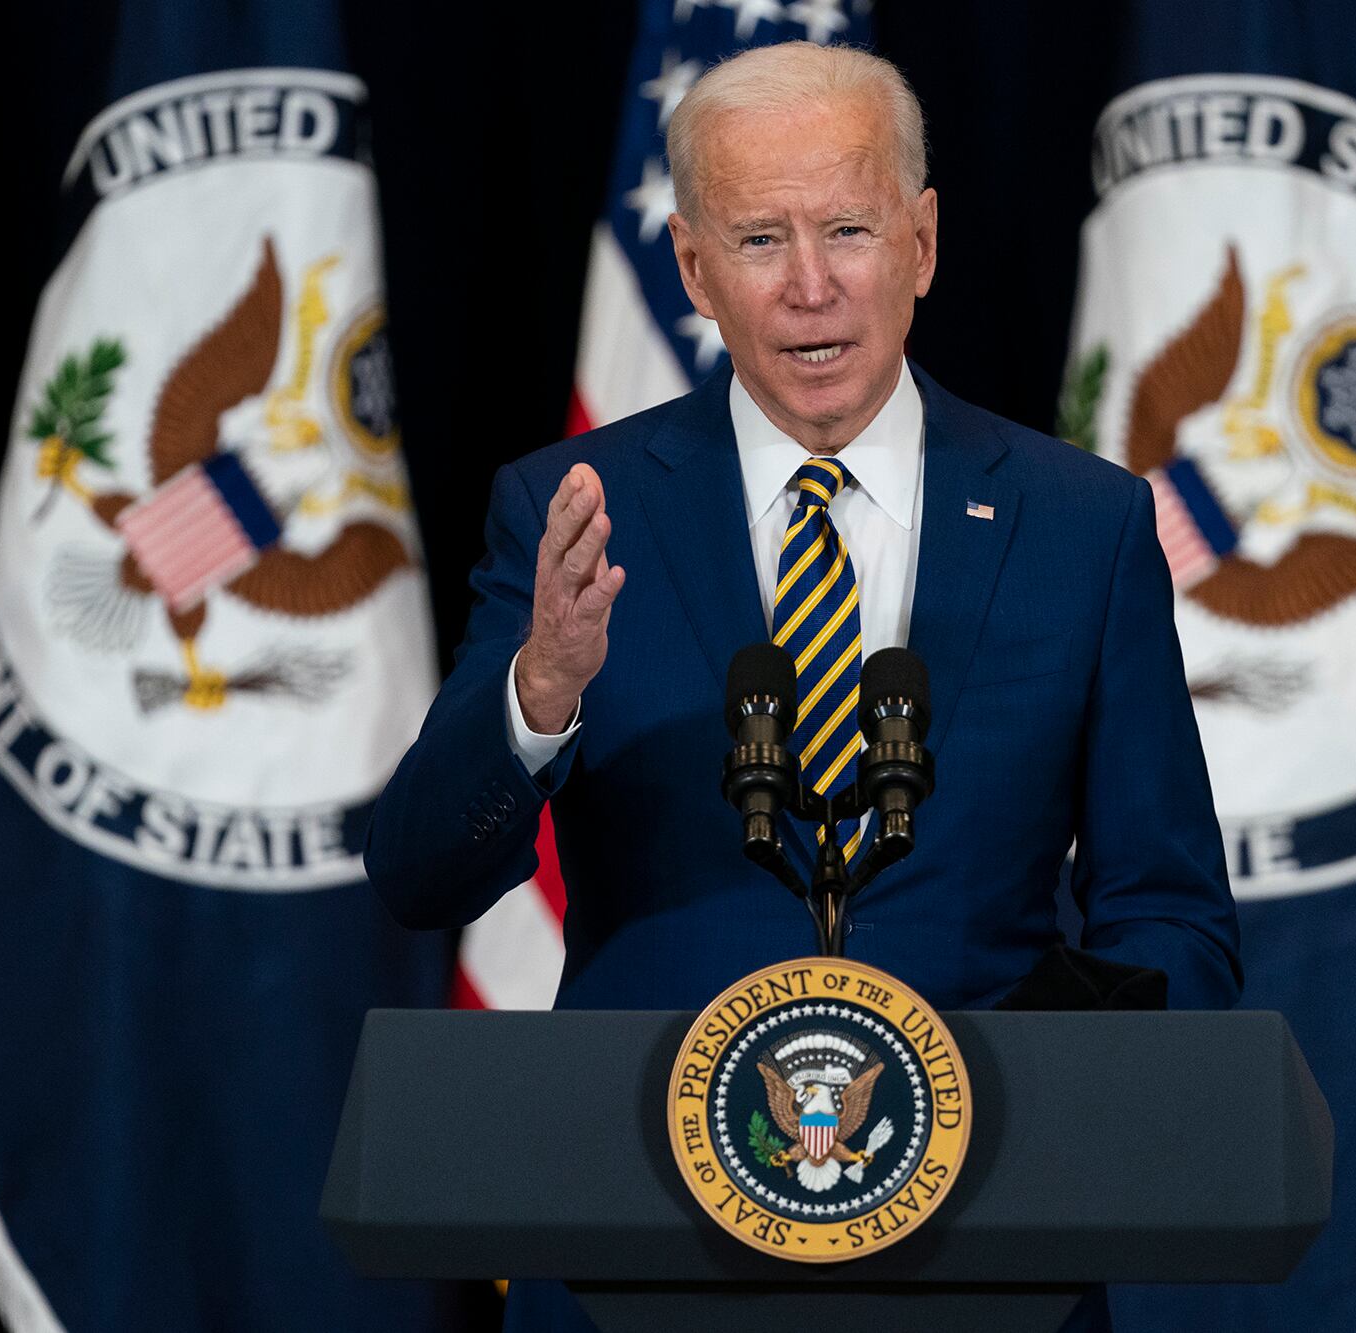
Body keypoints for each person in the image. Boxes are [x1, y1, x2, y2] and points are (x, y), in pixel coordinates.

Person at [364, 40, 1240, 1331]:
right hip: (638, 1260)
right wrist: (537, 691)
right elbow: (419, 873)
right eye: (762, 239)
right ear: (693, 269)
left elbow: (1171, 916)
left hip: (982, 1270)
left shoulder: (1082, 528)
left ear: (924, 243)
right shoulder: (572, 514)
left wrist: (1001, 1101)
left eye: (849, 229)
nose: (812, 288)